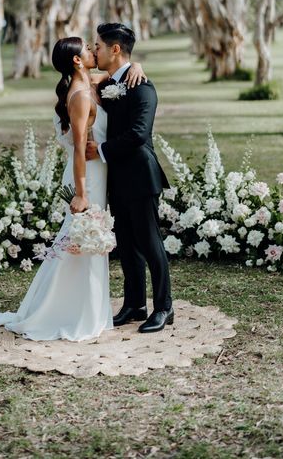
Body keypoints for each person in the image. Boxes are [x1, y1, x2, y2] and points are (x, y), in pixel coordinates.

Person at [0, 37, 146, 341]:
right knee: (81, 243)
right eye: (88, 49)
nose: (93, 51)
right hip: (86, 176)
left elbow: (122, 72)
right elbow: (78, 149)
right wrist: (81, 192)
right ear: (77, 60)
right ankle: (66, 311)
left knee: (84, 244)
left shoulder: (92, 83)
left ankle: (84, 308)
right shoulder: (79, 96)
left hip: (98, 173)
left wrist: (137, 64)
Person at [86, 23, 173, 333]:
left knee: (150, 243)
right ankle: (135, 304)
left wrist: (101, 150)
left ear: (115, 49)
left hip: (140, 177)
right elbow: (91, 85)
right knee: (126, 245)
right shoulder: (111, 83)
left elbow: (139, 134)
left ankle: (164, 307)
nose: (94, 50)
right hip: (118, 181)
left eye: (97, 45)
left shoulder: (144, 87)